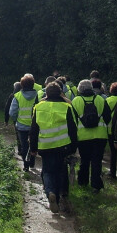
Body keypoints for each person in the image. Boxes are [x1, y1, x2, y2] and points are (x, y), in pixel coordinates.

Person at [30, 83, 78, 214]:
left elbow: (34, 130)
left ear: (46, 94)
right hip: (63, 146)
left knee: (47, 171)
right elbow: (73, 129)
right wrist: (73, 147)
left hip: (45, 146)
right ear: (60, 93)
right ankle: (59, 196)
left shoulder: (38, 107)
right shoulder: (67, 107)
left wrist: (33, 148)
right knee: (61, 171)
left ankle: (50, 192)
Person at [71, 79, 111, 193]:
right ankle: (96, 185)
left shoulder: (76, 101)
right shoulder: (100, 99)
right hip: (100, 136)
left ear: (79, 89)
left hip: (83, 137)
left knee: (84, 160)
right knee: (97, 161)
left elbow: (73, 120)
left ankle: (83, 182)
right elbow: (108, 117)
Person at [9, 74, 39, 172]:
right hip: (35, 126)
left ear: (22, 85)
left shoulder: (17, 96)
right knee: (33, 144)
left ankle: (26, 165)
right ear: (33, 84)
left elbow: (12, 112)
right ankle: (32, 162)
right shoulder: (38, 96)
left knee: (24, 146)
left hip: (22, 126)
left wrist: (16, 119)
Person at [4, 81, 22, 156]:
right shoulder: (23, 95)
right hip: (25, 117)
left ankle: (20, 149)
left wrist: (6, 120)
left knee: (18, 134)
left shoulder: (12, 96)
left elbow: (7, 108)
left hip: (16, 118)